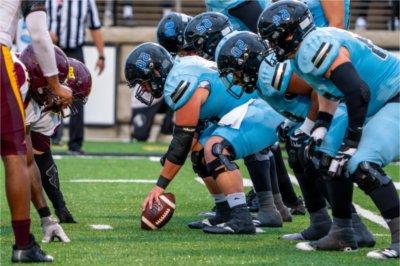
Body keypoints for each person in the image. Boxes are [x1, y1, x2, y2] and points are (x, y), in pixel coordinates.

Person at [258, 0, 399, 259]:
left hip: (393, 96)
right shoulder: (305, 50)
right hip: (377, 101)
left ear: (290, 33)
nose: (270, 45)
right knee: (322, 154)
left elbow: (358, 91)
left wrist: (351, 141)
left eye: (273, 38)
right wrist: (320, 124)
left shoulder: (313, 45)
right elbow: (329, 90)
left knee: (361, 164)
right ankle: (343, 231)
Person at [215, 30, 375, 247]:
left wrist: (310, 126)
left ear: (249, 62)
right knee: (297, 154)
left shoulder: (271, 73)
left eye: (235, 71)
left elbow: (318, 90)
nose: (234, 78)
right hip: (323, 115)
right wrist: (293, 124)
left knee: (317, 158)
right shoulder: (263, 77)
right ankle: (320, 222)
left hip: (338, 110)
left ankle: (355, 228)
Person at [1, 0, 72, 263]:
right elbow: (40, 35)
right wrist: (55, 83)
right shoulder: (21, 74)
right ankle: (23, 244)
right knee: (15, 153)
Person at [46, 0, 105, 154]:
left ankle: (75, 143)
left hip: (75, 52)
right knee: (48, 92)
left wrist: (101, 56)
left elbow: (95, 26)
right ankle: (49, 138)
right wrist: (45, 32)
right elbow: (32, 21)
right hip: (52, 50)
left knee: (78, 95)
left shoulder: (85, 2)